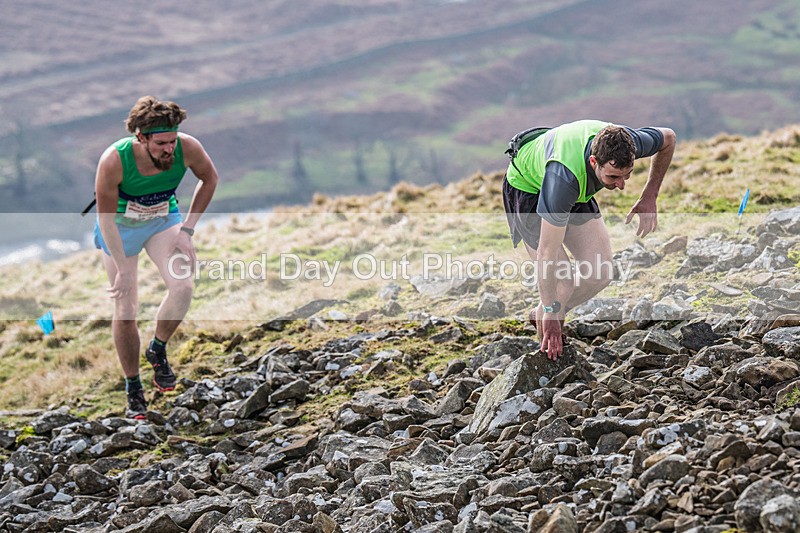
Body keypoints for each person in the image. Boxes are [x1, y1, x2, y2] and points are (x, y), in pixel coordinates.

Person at [503, 119, 675, 361]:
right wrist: (552, 310)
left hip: (578, 183)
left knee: (600, 273)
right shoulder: (562, 181)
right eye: (614, 177)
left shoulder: (631, 143)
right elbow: (546, 254)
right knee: (563, 284)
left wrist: (650, 195)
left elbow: (668, 138)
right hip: (530, 189)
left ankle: (543, 313)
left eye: (628, 175)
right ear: (594, 162)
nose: (622, 185)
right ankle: (547, 362)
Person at [93, 96, 219, 419]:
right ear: (141, 138)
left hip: (163, 220)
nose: (169, 150)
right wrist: (122, 267)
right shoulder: (113, 161)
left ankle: (158, 348)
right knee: (125, 307)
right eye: (161, 143)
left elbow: (210, 179)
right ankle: (133, 387)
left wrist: (187, 230)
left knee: (183, 287)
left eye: (172, 141)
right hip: (120, 227)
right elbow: (105, 219)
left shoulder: (187, 148)